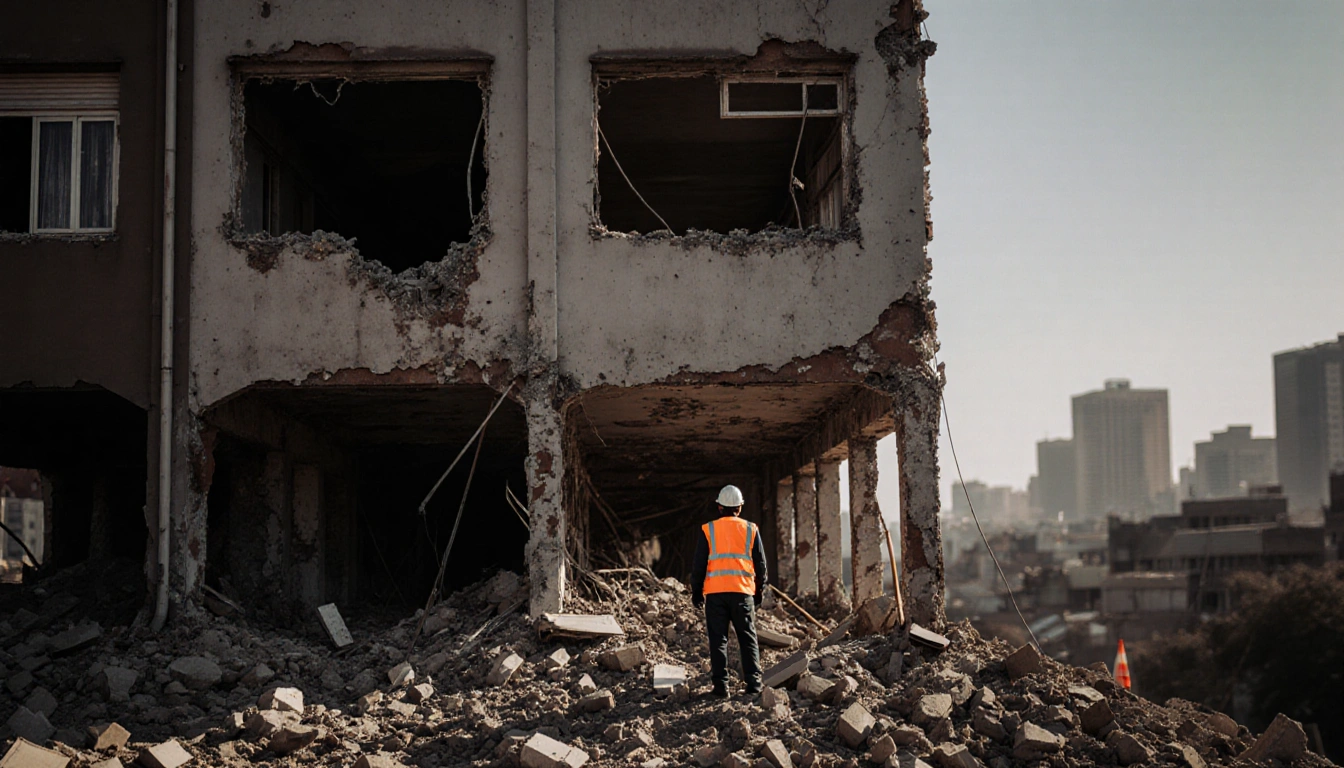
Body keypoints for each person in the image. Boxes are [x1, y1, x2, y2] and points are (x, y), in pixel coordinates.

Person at [691, 484, 767, 697]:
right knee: (747, 638)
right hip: (743, 592)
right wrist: (759, 590)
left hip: (715, 594)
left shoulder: (709, 529)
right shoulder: (751, 529)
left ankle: (721, 687)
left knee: (718, 639)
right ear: (740, 508)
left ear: (719, 507)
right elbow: (760, 565)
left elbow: (699, 564)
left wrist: (696, 591)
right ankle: (754, 685)